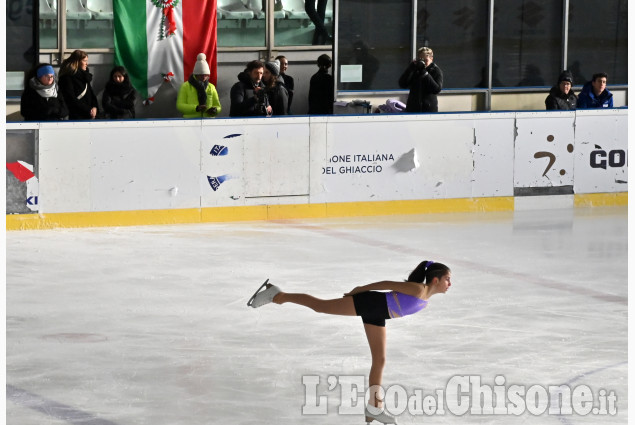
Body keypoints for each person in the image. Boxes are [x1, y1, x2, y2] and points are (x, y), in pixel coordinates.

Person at [247, 260, 452, 425]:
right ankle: (277, 295)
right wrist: (360, 289)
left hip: (379, 314)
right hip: (369, 303)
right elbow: (386, 284)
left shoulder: (425, 299)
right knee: (320, 306)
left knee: (379, 360)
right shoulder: (418, 289)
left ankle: (374, 408)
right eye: (447, 279)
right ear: (435, 280)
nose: (449, 284)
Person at [398, 47, 443, 113]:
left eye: (426, 60)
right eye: (421, 60)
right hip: (413, 108)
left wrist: (425, 73)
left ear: (431, 58)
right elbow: (402, 84)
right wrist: (410, 68)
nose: (423, 62)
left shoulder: (436, 71)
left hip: (428, 109)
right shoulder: (415, 70)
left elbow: (436, 89)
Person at [176, 53, 222, 119]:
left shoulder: (211, 87)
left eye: (205, 75)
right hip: (190, 121)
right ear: (196, 74)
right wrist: (196, 108)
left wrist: (215, 110)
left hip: (208, 121)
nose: (203, 77)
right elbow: (180, 105)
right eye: (201, 75)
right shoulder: (185, 86)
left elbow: (218, 106)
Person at [58, 50, 99, 120]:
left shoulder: (85, 76)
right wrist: (88, 110)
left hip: (89, 114)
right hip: (75, 116)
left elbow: (91, 94)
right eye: (84, 61)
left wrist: (94, 107)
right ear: (77, 62)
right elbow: (70, 98)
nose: (87, 64)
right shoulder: (66, 78)